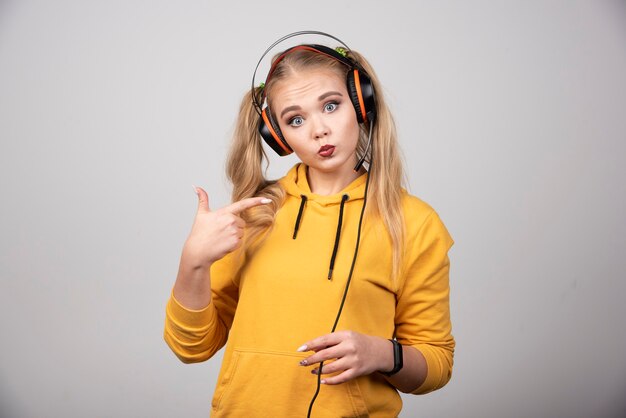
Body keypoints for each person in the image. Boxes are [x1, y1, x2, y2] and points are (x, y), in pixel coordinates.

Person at [164, 32, 454, 417]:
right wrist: (193, 263)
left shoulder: (415, 223)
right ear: (278, 136)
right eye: (296, 119)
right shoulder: (253, 215)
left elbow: (437, 364)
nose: (318, 130)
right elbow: (191, 348)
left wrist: (381, 353)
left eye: (331, 106)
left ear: (361, 103)